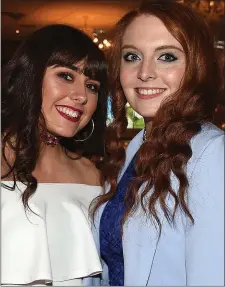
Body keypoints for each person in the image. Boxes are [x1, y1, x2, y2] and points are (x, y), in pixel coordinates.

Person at [91, 1, 224, 286]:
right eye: (131, 56)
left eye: (166, 56)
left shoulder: (212, 153)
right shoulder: (137, 147)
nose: (144, 72)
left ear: (196, 66)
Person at [1, 24, 108, 286]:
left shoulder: (93, 177)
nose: (81, 96)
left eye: (92, 86)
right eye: (66, 76)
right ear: (30, 76)